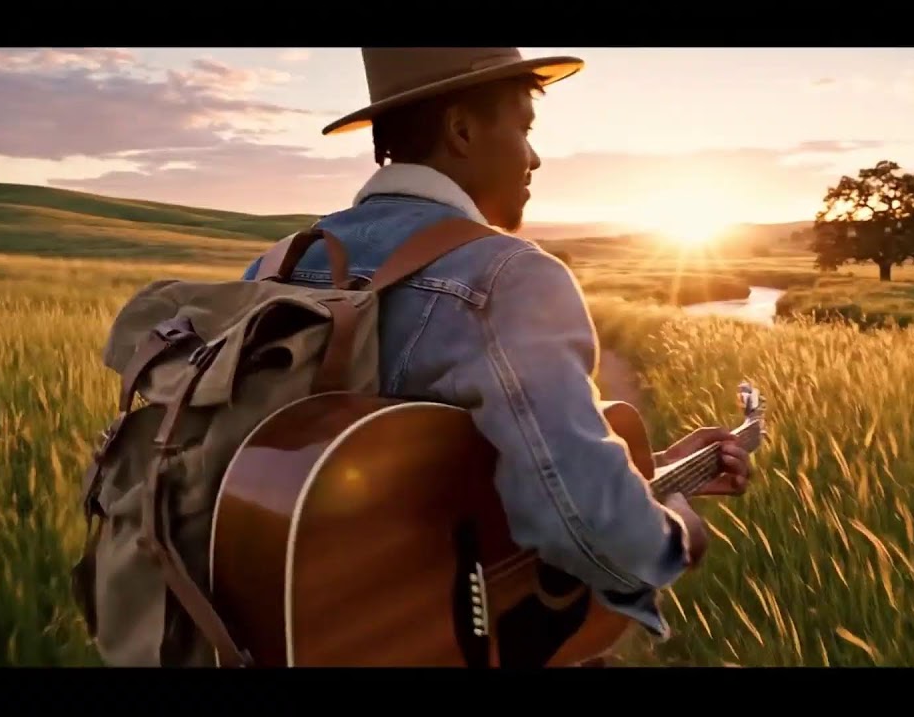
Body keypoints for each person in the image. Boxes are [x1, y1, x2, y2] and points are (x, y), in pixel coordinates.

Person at [241, 47, 755, 653]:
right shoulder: (507, 275)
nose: (534, 157)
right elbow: (589, 522)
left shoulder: (278, 264)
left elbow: (416, 472)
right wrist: (676, 532)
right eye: (524, 129)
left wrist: (651, 465)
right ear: (462, 130)